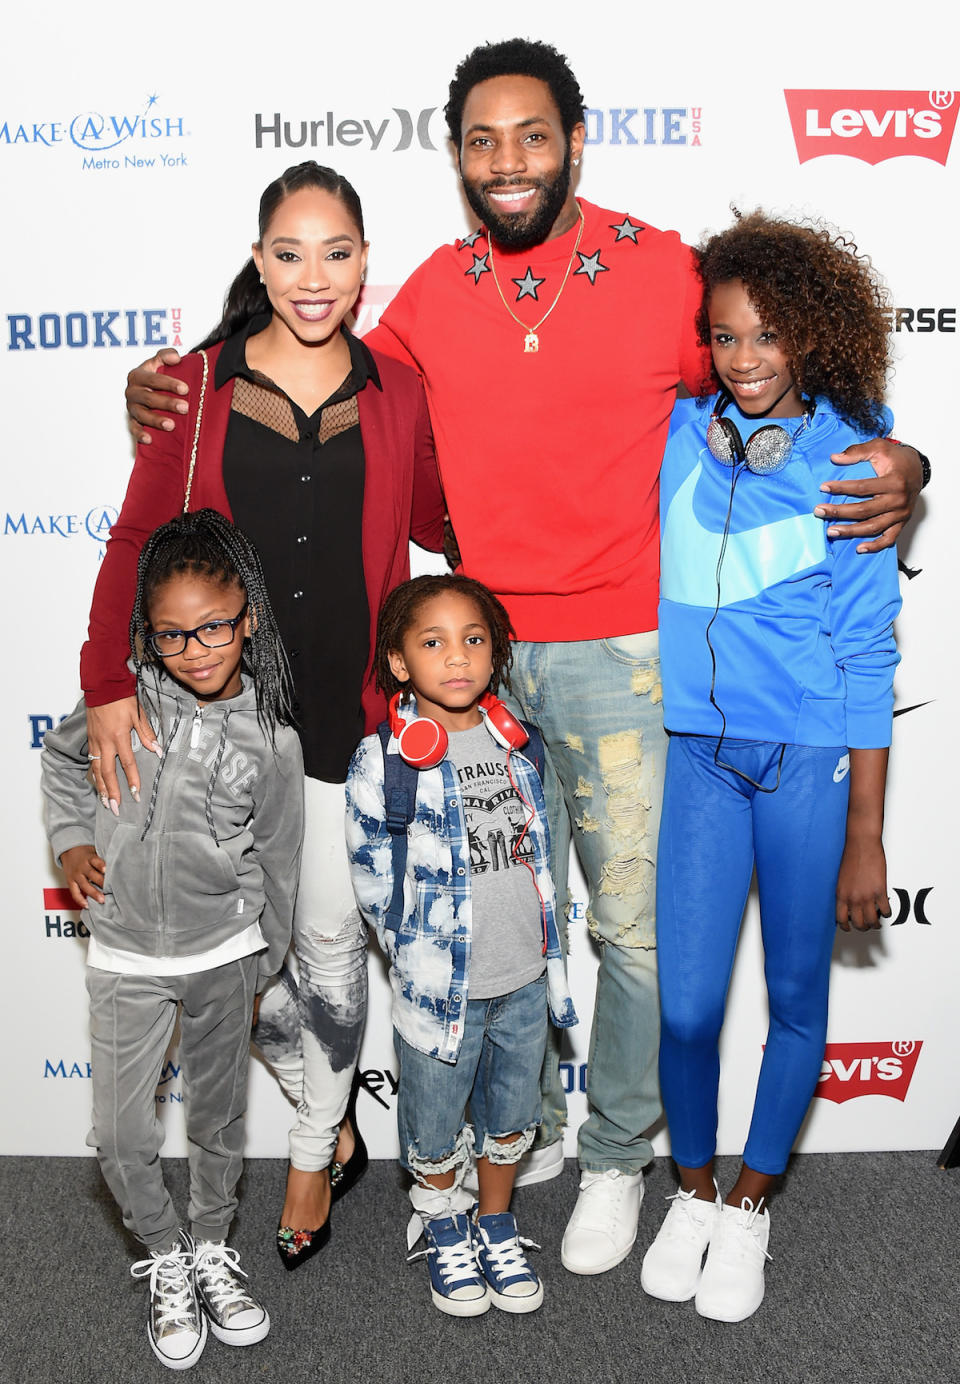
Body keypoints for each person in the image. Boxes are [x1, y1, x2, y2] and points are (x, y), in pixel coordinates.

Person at [121, 41, 924, 1275]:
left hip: (625, 653)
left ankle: (614, 1155)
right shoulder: (436, 290)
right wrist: (178, 377)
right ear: (456, 157)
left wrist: (899, 458)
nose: (509, 163)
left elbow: (782, 366)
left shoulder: (662, 268)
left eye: (532, 136)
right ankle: (528, 1125)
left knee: (636, 933)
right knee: (508, 927)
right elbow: (318, 339)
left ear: (575, 141)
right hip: (477, 666)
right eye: (484, 141)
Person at [81, 162, 445, 1269]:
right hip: (216, 724)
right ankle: (331, 1114)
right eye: (289, 253)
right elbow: (138, 542)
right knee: (239, 970)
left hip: (343, 718)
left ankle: (305, 1159)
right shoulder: (193, 389)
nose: (313, 276)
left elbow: (441, 518)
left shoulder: (399, 390)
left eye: (336, 252)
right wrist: (105, 683)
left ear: (366, 259)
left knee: (330, 946)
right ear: (258, 260)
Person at [641, 212, 901, 1322]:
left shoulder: (857, 460)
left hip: (805, 760)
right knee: (690, 1010)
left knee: (794, 1001)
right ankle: (688, 1190)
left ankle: (749, 1206)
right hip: (698, 754)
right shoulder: (678, 434)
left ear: (811, 336)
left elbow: (868, 650)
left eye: (766, 337)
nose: (743, 359)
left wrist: (867, 832)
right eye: (724, 337)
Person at [42, 510, 304, 1368]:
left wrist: (262, 961)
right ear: (147, 637)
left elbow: (279, 858)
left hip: (224, 956)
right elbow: (60, 761)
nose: (195, 649)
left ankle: (211, 1250)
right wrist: (75, 841)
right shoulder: (123, 701)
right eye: (172, 635)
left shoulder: (273, 740)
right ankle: (163, 1254)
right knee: (122, 1138)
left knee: (218, 1125)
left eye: (215, 628)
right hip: (123, 954)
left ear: (248, 620)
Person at [345, 575, 576, 1315]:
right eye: (433, 642)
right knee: (435, 1126)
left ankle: (496, 1222)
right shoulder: (383, 759)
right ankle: (445, 1228)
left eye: (474, 639)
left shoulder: (521, 744)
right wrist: (416, 952)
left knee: (511, 1117)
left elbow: (541, 859)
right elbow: (372, 877)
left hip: (524, 981)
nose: (458, 657)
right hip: (438, 992)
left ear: (496, 651)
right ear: (400, 662)